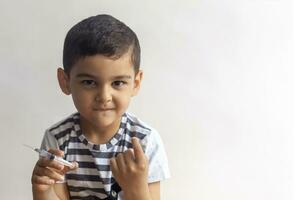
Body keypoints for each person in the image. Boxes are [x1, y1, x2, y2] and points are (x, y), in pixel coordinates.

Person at [31, 14, 170, 200]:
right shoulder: (58, 139)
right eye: (89, 82)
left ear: (135, 83)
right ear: (65, 81)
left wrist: (136, 188)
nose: (104, 97)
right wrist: (43, 190)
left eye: (118, 83)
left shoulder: (145, 141)